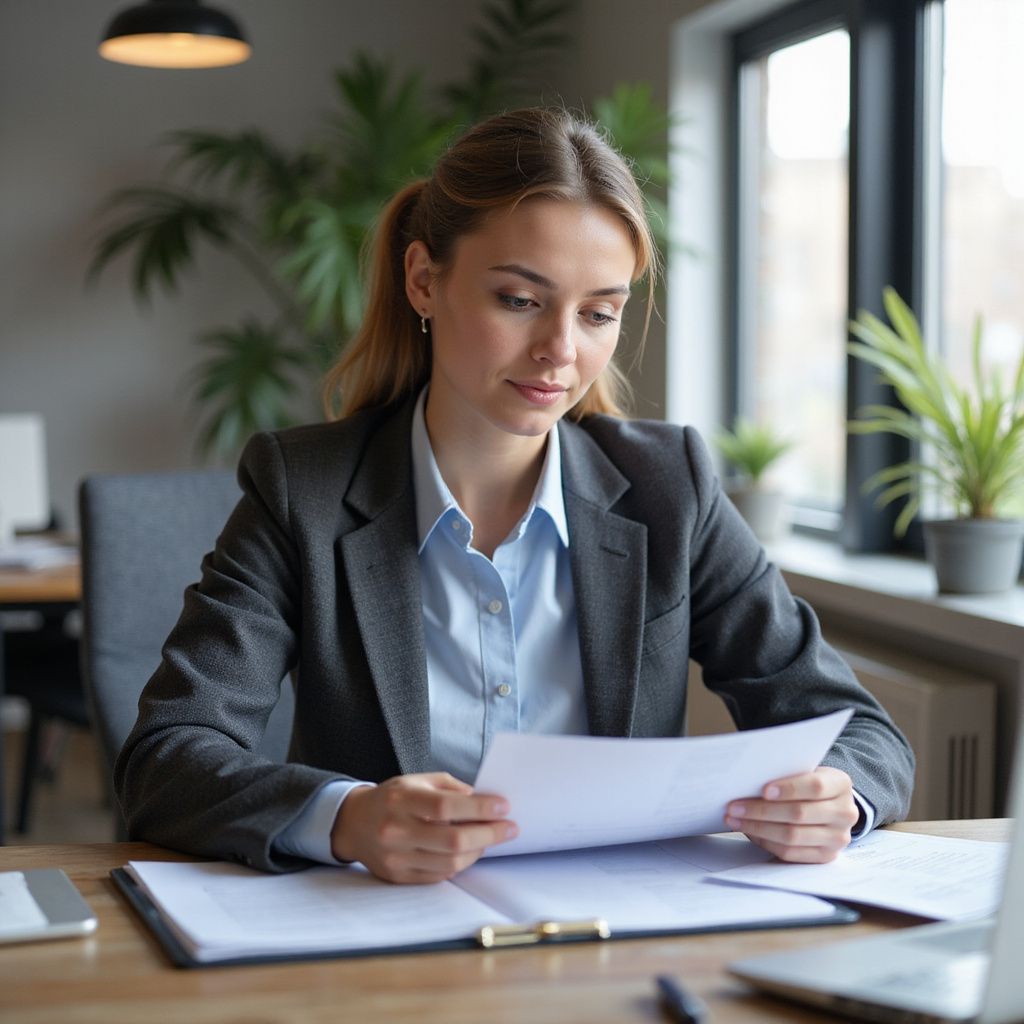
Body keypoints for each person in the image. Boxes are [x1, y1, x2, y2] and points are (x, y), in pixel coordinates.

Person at [114, 108, 914, 883]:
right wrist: (349, 818)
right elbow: (168, 758)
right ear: (425, 280)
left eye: (600, 313)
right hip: (384, 950)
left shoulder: (672, 489)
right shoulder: (304, 492)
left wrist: (839, 798)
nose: (561, 352)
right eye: (520, 301)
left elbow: (863, 733)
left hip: (617, 941)